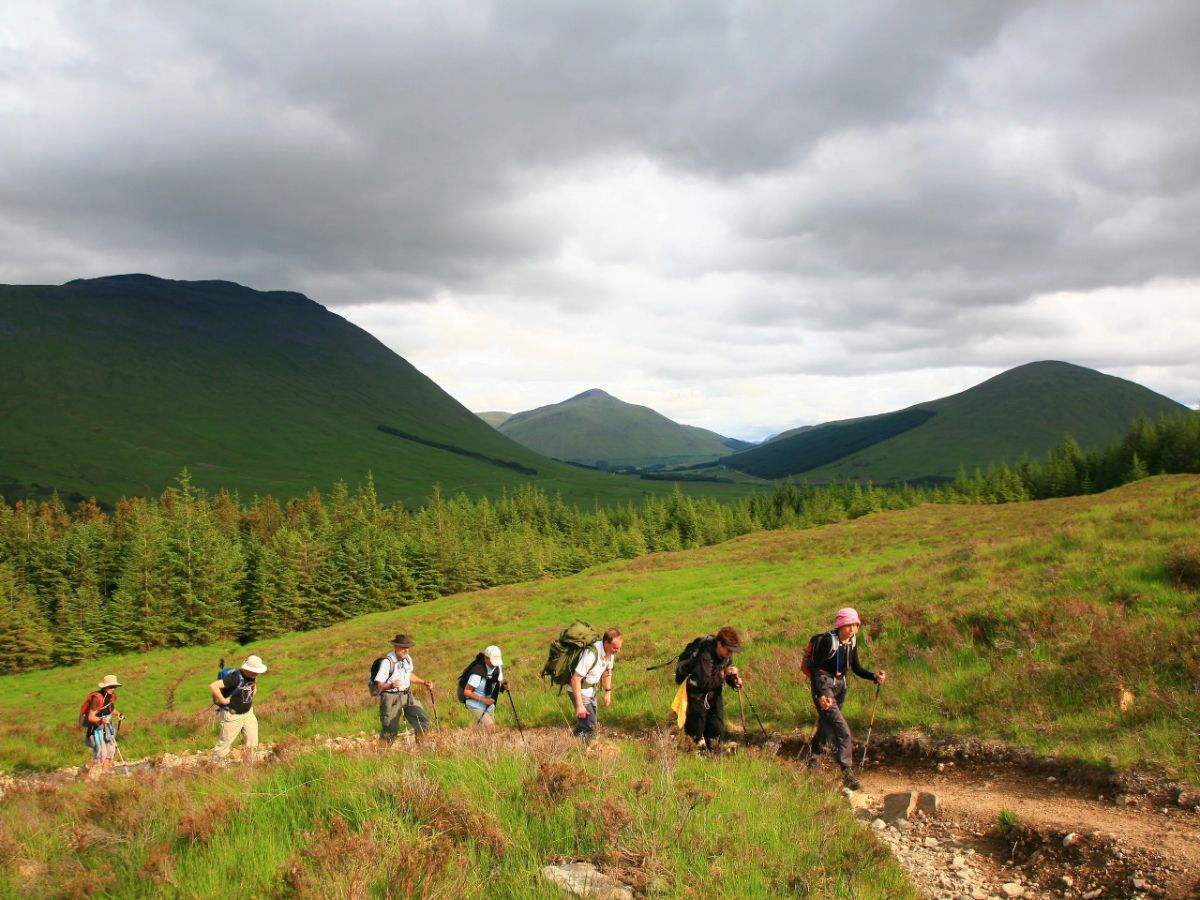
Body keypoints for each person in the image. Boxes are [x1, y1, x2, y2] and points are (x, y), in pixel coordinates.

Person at [807, 608, 886, 790]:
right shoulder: (828, 641)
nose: (852, 628)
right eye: (849, 624)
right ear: (840, 624)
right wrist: (822, 695)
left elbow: (856, 668)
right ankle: (846, 771)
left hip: (841, 686)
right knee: (842, 729)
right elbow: (815, 670)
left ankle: (812, 760)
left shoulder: (852, 641)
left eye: (855, 624)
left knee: (827, 727)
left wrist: (874, 677)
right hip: (824, 685)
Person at [678, 627, 743, 750]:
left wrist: (734, 681)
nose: (730, 653)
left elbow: (725, 674)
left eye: (732, 650)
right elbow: (705, 684)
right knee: (694, 737)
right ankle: (689, 760)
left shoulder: (727, 656)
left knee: (717, 733)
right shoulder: (705, 656)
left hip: (714, 697)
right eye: (729, 649)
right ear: (719, 644)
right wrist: (724, 673)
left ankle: (715, 760)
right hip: (696, 698)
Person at [375, 633, 433, 743]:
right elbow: (379, 684)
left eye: (407, 648)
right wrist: (391, 685)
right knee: (390, 731)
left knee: (423, 721)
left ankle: (423, 751)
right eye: (403, 648)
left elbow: (409, 675)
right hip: (391, 697)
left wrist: (423, 682)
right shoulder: (387, 662)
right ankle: (381, 755)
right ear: (396, 647)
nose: (406, 650)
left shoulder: (407, 659)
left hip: (407, 695)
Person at [569, 626, 622, 742]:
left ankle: (571, 743)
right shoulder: (591, 655)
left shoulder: (610, 653)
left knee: (585, 723)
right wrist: (579, 705)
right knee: (590, 724)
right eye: (615, 648)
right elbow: (575, 679)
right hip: (580, 690)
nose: (617, 651)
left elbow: (608, 672)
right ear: (606, 643)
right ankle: (590, 752)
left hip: (591, 691)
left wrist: (608, 693)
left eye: (619, 648)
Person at [210, 655, 268, 761]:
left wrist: (250, 695)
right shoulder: (235, 678)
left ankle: (249, 763)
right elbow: (214, 686)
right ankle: (214, 766)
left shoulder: (253, 676)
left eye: (257, 672)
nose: (256, 674)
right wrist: (223, 700)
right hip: (232, 715)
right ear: (247, 669)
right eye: (254, 671)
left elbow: (253, 687)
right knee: (224, 744)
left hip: (248, 713)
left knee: (252, 740)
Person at [82, 674, 123, 778]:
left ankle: (104, 776)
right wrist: (101, 720)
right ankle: (86, 774)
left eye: (114, 686)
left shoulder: (111, 696)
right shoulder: (97, 698)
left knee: (111, 751)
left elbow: (111, 709)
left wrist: (118, 714)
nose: (112, 689)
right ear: (104, 687)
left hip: (107, 728)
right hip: (95, 730)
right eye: (110, 686)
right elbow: (90, 717)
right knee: (101, 753)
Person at [462, 644, 506, 728]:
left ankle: (474, 740)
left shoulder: (497, 668)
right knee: (490, 728)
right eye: (493, 660)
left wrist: (504, 687)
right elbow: (467, 692)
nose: (495, 664)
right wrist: (483, 700)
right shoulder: (477, 672)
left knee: (485, 731)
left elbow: (498, 684)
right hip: (475, 704)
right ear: (486, 658)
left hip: (489, 705)